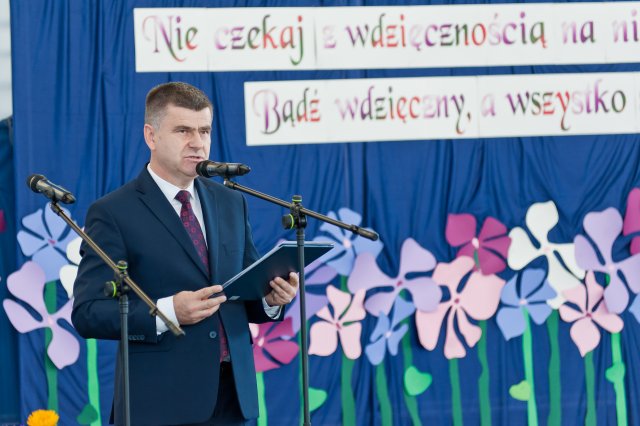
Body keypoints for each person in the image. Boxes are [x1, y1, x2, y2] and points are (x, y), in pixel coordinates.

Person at [72, 82, 299, 426]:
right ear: (151, 136)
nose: (197, 142)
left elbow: (243, 291)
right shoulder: (113, 212)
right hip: (160, 404)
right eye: (183, 131)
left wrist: (270, 299)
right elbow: (88, 312)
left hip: (232, 399)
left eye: (204, 131)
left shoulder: (230, 201)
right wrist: (169, 312)